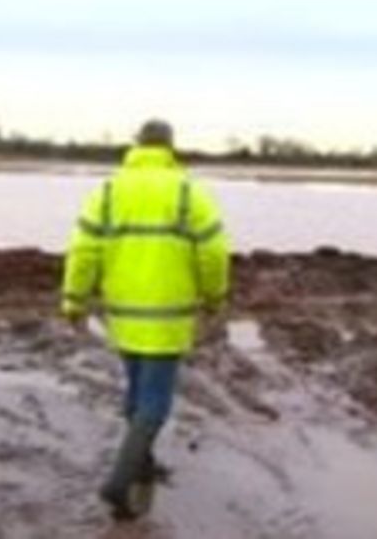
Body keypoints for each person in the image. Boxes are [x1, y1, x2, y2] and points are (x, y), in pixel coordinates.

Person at [61, 119, 230, 518]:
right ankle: (118, 483)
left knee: (137, 391)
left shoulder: (108, 191)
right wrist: (214, 297)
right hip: (168, 317)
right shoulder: (189, 192)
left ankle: (143, 464)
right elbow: (214, 253)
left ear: (136, 145)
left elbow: (82, 252)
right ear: (171, 147)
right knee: (154, 403)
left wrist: (74, 301)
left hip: (122, 314)